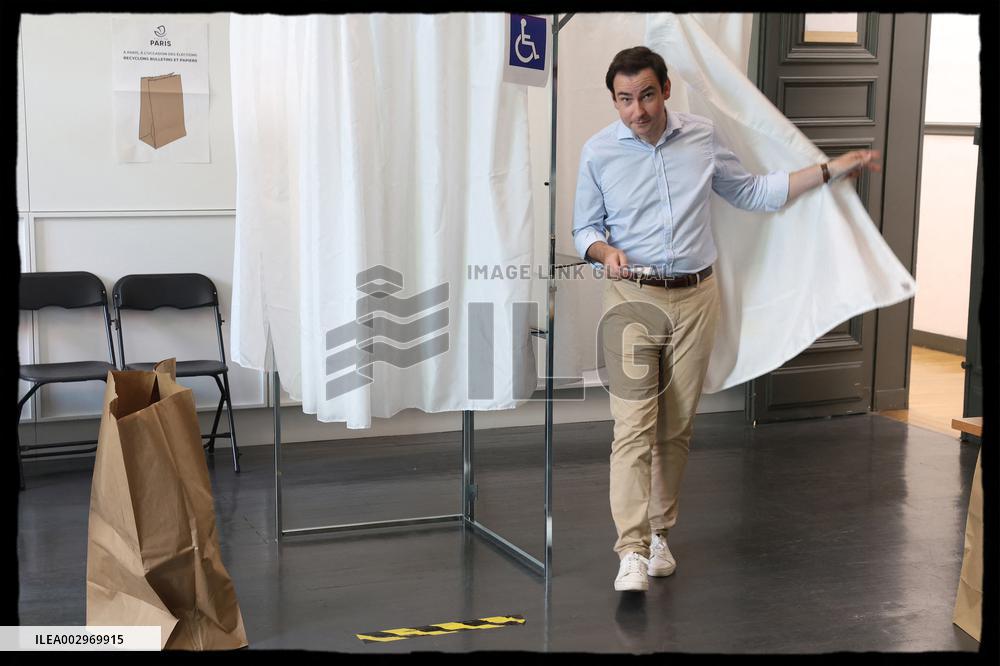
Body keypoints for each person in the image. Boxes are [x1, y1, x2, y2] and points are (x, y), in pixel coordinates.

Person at [572, 46, 880, 592]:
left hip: (696, 297)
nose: (636, 111)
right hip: (630, 298)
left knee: (677, 424)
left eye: (645, 95)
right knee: (632, 427)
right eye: (624, 100)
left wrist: (831, 170)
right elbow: (584, 228)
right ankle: (631, 549)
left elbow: (754, 193)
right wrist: (603, 252)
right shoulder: (598, 152)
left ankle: (660, 534)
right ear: (614, 102)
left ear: (665, 90)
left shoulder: (701, 136)